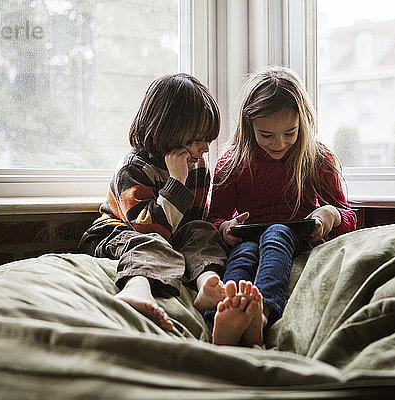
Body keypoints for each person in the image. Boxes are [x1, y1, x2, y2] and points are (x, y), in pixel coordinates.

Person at [79, 73, 261, 341]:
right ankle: (136, 288)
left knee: (202, 231)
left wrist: (222, 229)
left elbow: (192, 222)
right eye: (199, 139)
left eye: (208, 140)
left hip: (169, 233)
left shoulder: (197, 166)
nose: (205, 149)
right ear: (170, 129)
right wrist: (176, 181)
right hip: (118, 233)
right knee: (151, 242)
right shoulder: (134, 168)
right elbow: (150, 227)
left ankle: (207, 283)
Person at [206, 66, 357, 346]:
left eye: (290, 133)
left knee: (276, 233)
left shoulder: (317, 159)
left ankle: (260, 313)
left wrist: (329, 215)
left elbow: (348, 216)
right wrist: (226, 228)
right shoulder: (231, 163)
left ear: (304, 122)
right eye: (266, 135)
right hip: (248, 238)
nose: (280, 144)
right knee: (244, 252)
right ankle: (224, 312)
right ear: (248, 125)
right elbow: (216, 219)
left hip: (298, 239)